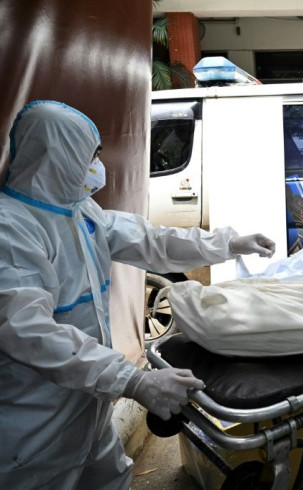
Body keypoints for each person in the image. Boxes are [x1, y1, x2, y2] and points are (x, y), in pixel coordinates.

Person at [0, 100, 276, 488]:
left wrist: (229, 244)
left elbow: (156, 242)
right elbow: (29, 333)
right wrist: (134, 381)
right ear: (58, 155)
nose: (98, 166)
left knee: (112, 477)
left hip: (86, 406)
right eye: (91, 155)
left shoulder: (81, 214)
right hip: (34, 421)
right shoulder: (10, 230)